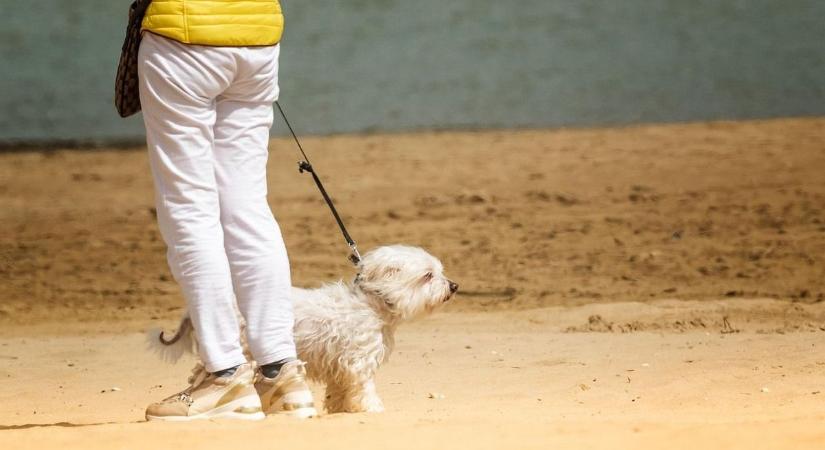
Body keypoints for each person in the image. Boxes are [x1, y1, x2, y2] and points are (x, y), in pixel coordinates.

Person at [137, 0, 316, 421]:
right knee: (248, 205)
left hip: (182, 35)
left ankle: (225, 375)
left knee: (189, 207)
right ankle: (282, 376)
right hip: (258, 37)